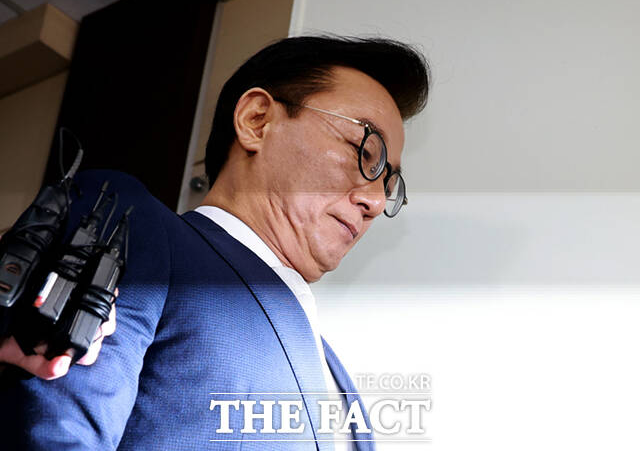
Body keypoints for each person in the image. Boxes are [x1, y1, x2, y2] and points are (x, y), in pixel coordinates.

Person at [0, 35, 429, 450]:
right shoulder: (133, 226)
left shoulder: (335, 373)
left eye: (389, 184)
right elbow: (54, 433)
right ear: (257, 120)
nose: (375, 201)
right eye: (363, 152)